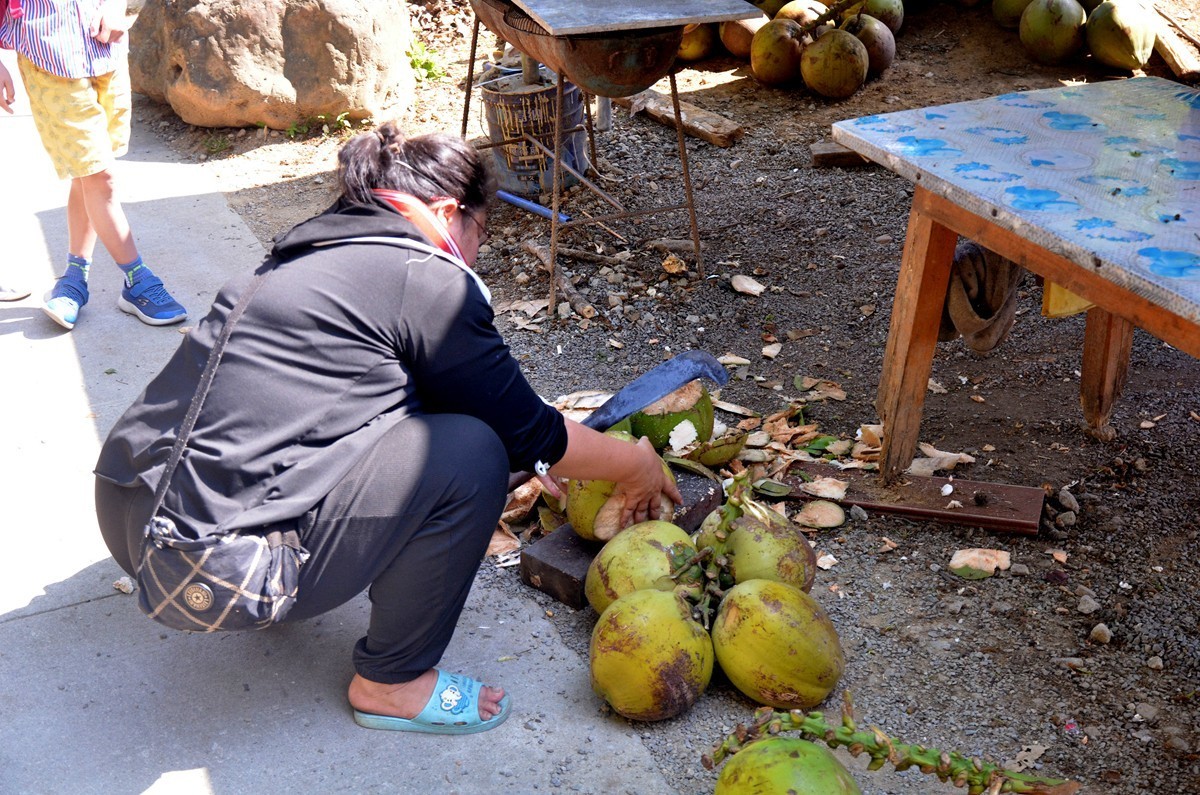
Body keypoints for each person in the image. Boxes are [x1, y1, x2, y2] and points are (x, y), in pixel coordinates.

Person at [94, 123, 681, 734]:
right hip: (211, 572)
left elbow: (393, 404)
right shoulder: (424, 277)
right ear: (450, 213)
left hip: (124, 511)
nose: (478, 253)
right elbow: (530, 431)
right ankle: (391, 683)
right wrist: (631, 464)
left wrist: (533, 458)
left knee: (463, 436)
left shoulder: (307, 257)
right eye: (482, 234)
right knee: (472, 454)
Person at [0, 0, 186, 330]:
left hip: (106, 50)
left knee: (87, 172)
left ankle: (74, 279)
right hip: (47, 56)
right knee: (100, 175)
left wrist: (121, 8)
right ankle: (136, 279)